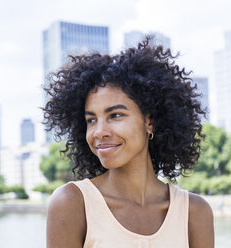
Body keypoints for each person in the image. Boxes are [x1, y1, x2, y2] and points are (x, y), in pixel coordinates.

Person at [43, 38, 214, 248]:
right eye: (91, 120)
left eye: (115, 115)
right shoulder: (72, 203)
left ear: (149, 121)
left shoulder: (195, 212)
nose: (99, 132)